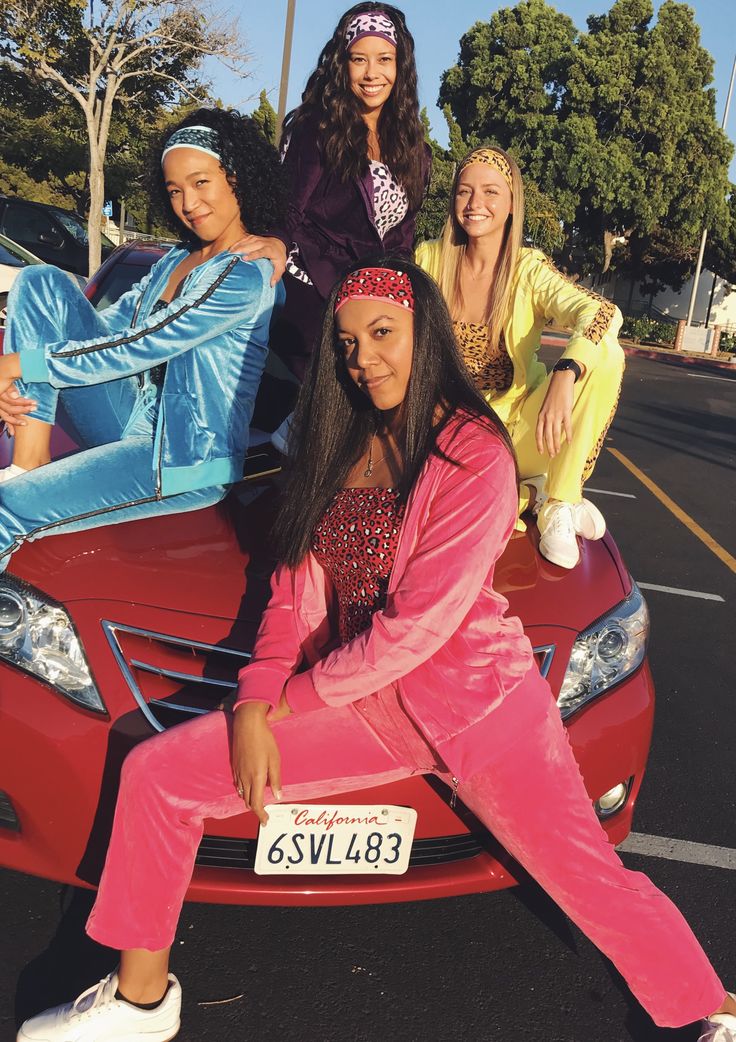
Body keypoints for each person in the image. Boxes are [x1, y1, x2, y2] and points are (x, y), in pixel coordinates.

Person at [17, 260, 736, 1042]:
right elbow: (292, 595)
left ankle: (711, 1008)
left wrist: (280, 705)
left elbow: (417, 628)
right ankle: (140, 1001)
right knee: (159, 773)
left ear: (424, 333)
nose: (365, 359)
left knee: (587, 877)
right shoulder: (342, 444)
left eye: (383, 334)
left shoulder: (475, 456)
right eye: (349, 343)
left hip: (481, 710)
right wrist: (255, 699)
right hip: (366, 704)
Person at [0, 108, 285, 569]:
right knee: (40, 281)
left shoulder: (246, 274)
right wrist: (22, 369)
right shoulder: (174, 259)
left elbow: (145, 343)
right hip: (124, 413)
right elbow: (112, 330)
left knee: (5, 508)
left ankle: (18, 490)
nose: (188, 203)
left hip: (183, 456)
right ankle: (28, 460)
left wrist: (15, 366)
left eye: (201, 183)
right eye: (175, 190)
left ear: (236, 178)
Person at [415, 146, 625, 570]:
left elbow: (602, 312)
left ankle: (560, 502)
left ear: (511, 204)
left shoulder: (528, 269)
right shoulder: (428, 259)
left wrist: (565, 373)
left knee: (607, 353)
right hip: (449, 431)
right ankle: (531, 492)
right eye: (464, 192)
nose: (475, 204)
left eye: (491, 192)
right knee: (449, 517)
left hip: (521, 429)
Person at [233, 2, 431, 381]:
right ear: (344, 65)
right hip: (310, 291)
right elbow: (288, 207)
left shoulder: (415, 152)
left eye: (384, 59)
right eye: (359, 60)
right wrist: (275, 240)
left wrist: (404, 300)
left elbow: (401, 241)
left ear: (399, 67)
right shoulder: (316, 129)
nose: (372, 73)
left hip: (366, 297)